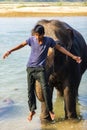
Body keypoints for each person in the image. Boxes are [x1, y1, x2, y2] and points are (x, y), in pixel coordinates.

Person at [3, 24, 82, 121]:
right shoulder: (32, 39)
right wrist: (9, 51)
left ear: (43, 35)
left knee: (45, 89)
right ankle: (32, 111)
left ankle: (53, 112)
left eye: (38, 35)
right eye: (35, 35)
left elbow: (60, 48)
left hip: (43, 68)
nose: (37, 37)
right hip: (31, 68)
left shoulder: (49, 41)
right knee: (30, 91)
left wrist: (73, 56)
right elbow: (21, 45)